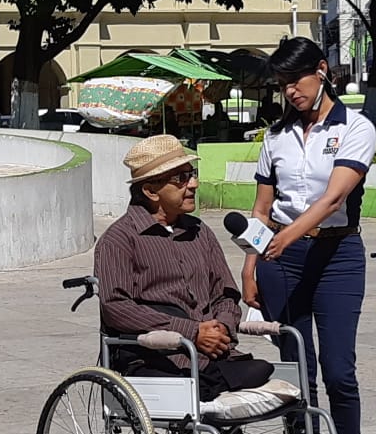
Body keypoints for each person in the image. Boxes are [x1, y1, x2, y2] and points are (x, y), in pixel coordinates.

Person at [240, 37, 376, 434]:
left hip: (336, 255)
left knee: (339, 372)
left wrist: (286, 236)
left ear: (322, 71)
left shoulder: (355, 128)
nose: (290, 92)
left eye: (296, 81)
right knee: (299, 374)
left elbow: (334, 200)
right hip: (282, 261)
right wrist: (252, 261)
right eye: (282, 85)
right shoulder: (274, 138)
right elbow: (261, 209)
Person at [94, 134, 272, 400]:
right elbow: (116, 308)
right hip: (156, 357)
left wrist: (221, 328)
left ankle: (211, 381)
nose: (194, 184)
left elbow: (225, 294)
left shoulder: (200, 232)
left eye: (192, 174)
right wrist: (191, 332)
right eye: (181, 179)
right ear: (151, 190)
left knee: (264, 370)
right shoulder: (119, 239)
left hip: (211, 355)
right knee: (222, 379)